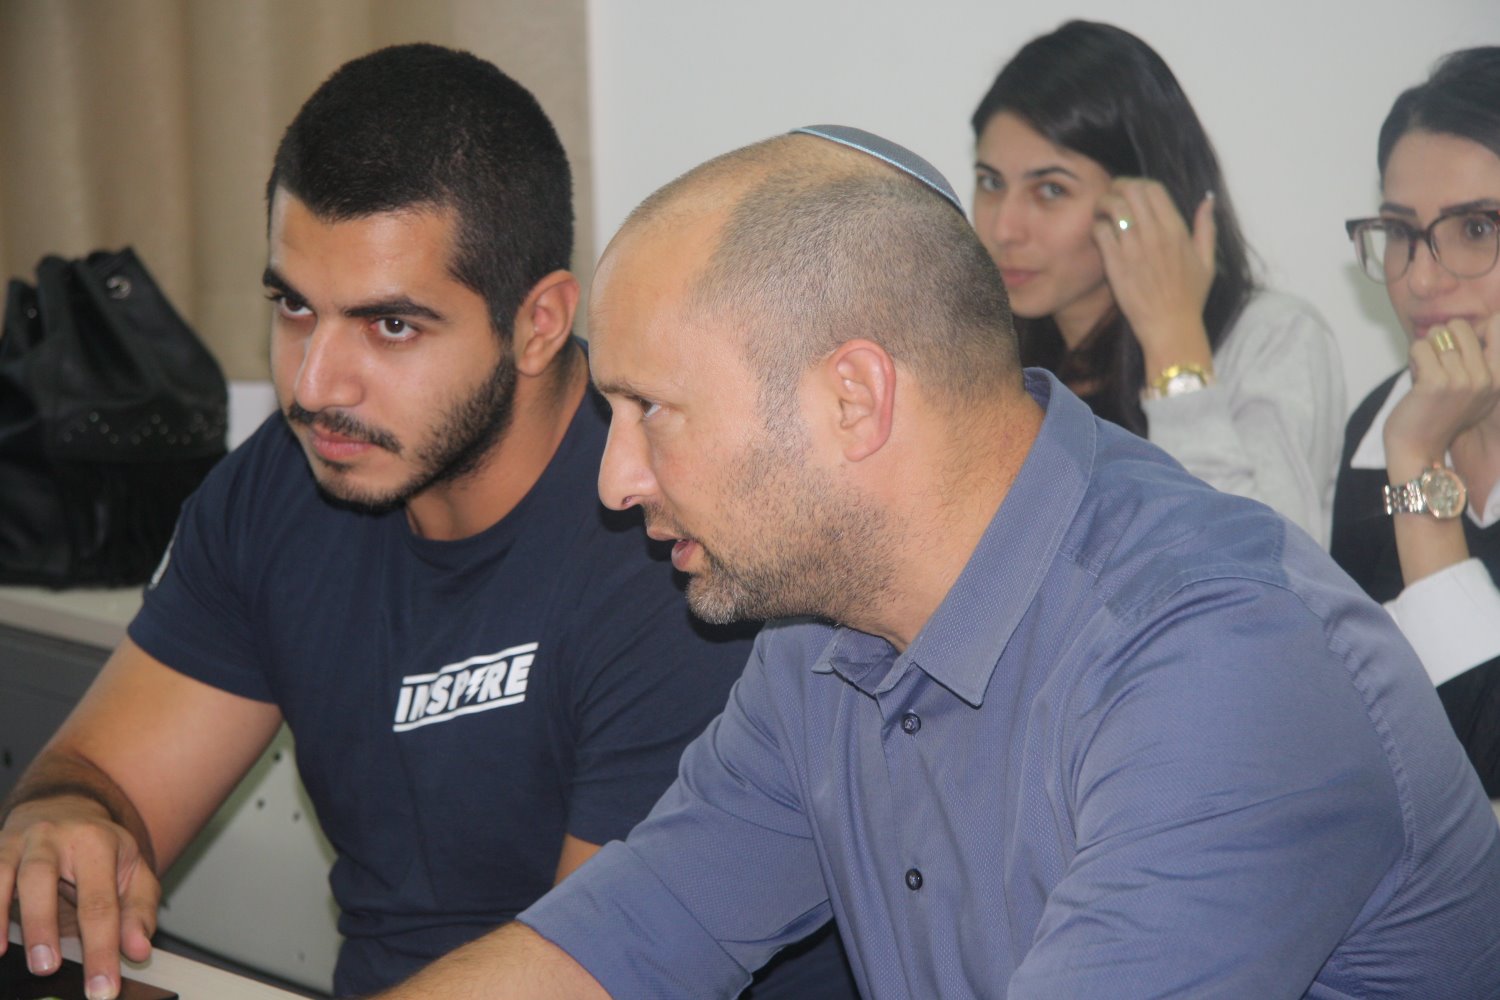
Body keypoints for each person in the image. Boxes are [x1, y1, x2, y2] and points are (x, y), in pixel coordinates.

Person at [365, 127, 1500, 999]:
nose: (614, 483)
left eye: (650, 409)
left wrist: (1414, 469)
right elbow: (624, 937)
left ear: (855, 399)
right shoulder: (818, 637)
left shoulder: (1215, 660)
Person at [0, 45, 856, 1000]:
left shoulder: (673, 539)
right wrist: (64, 821)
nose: (315, 385)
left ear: (538, 323)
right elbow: (101, 777)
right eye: (294, 307)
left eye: (391, 325)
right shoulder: (281, 485)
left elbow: (602, 969)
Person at [970, 20, 1345, 545]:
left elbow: (1266, 572)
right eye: (990, 182)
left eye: (1050, 190)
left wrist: (1174, 344)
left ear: (1147, 199)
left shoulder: (1271, 337)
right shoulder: (986, 352)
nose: (1004, 228)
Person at [1331, 47, 1500, 797]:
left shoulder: (1402, 434)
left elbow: (1486, 764)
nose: (1421, 278)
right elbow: (1362, 721)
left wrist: (1418, 459)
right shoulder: (1380, 426)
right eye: (1402, 232)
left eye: (1478, 229)